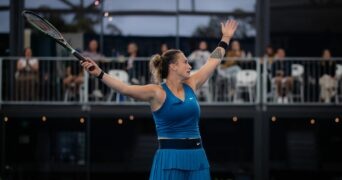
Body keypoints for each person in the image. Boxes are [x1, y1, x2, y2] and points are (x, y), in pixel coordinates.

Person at [81, 19, 238, 180]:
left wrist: (225, 38)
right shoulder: (157, 92)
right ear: (173, 66)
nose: (189, 66)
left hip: (197, 158)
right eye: (185, 62)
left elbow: (213, 61)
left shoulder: (192, 83)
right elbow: (124, 88)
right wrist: (100, 73)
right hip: (170, 159)